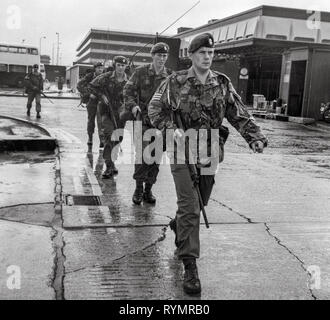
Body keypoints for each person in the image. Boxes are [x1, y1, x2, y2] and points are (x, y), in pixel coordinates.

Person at [148, 33, 268, 295]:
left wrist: (254, 138)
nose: (207, 57)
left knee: (201, 199)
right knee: (190, 206)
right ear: (191, 55)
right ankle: (189, 264)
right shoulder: (175, 81)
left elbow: (239, 113)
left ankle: (180, 226)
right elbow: (154, 109)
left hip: (211, 150)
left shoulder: (222, 82)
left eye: (211, 53)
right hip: (182, 149)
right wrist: (171, 129)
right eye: (202, 52)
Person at [122, 42, 172, 205]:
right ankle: (138, 188)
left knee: (156, 157)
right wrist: (133, 106)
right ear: (153, 56)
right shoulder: (140, 72)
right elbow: (127, 91)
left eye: (164, 56)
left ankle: (148, 189)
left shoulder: (170, 76)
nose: (162, 59)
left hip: (161, 122)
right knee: (143, 155)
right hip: (142, 119)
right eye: (159, 55)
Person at [89, 56, 129, 178]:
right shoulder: (106, 77)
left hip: (121, 114)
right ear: (114, 65)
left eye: (123, 66)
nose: (121, 68)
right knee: (109, 136)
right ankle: (109, 166)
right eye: (119, 65)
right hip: (106, 112)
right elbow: (92, 86)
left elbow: (133, 94)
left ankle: (112, 164)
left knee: (117, 139)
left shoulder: (129, 81)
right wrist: (101, 96)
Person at [77, 62, 105, 148]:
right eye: (98, 68)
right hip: (91, 101)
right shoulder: (89, 76)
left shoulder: (105, 76)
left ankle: (102, 140)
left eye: (101, 68)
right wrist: (88, 94)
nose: (100, 70)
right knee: (91, 121)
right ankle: (90, 138)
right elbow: (79, 85)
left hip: (100, 101)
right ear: (95, 69)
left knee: (101, 121)